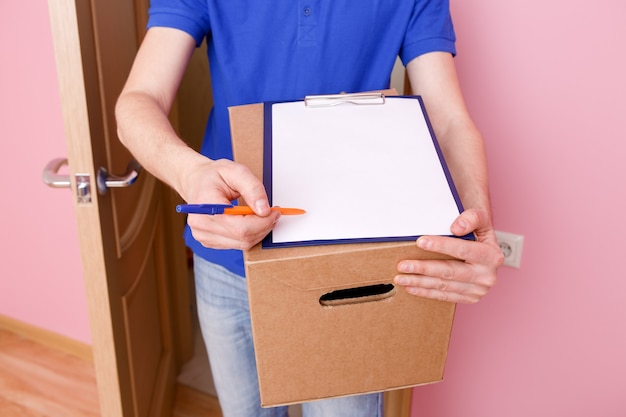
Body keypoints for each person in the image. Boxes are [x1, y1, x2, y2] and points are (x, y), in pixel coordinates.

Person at [116, 1, 503, 416]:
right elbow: (139, 99)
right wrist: (190, 173)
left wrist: (477, 220)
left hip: (349, 269)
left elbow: (447, 119)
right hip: (229, 261)